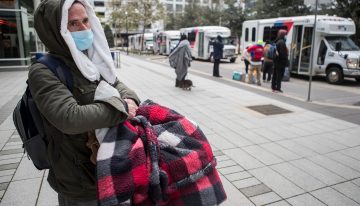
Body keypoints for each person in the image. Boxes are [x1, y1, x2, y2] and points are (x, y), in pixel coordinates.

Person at [29, 0, 140, 205]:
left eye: (86, 20)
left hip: (113, 166)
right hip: (80, 180)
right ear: (55, 30)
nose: (84, 28)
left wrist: (129, 98)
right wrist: (122, 108)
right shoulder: (43, 71)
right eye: (73, 23)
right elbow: (70, 117)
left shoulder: (90, 59)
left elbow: (116, 83)